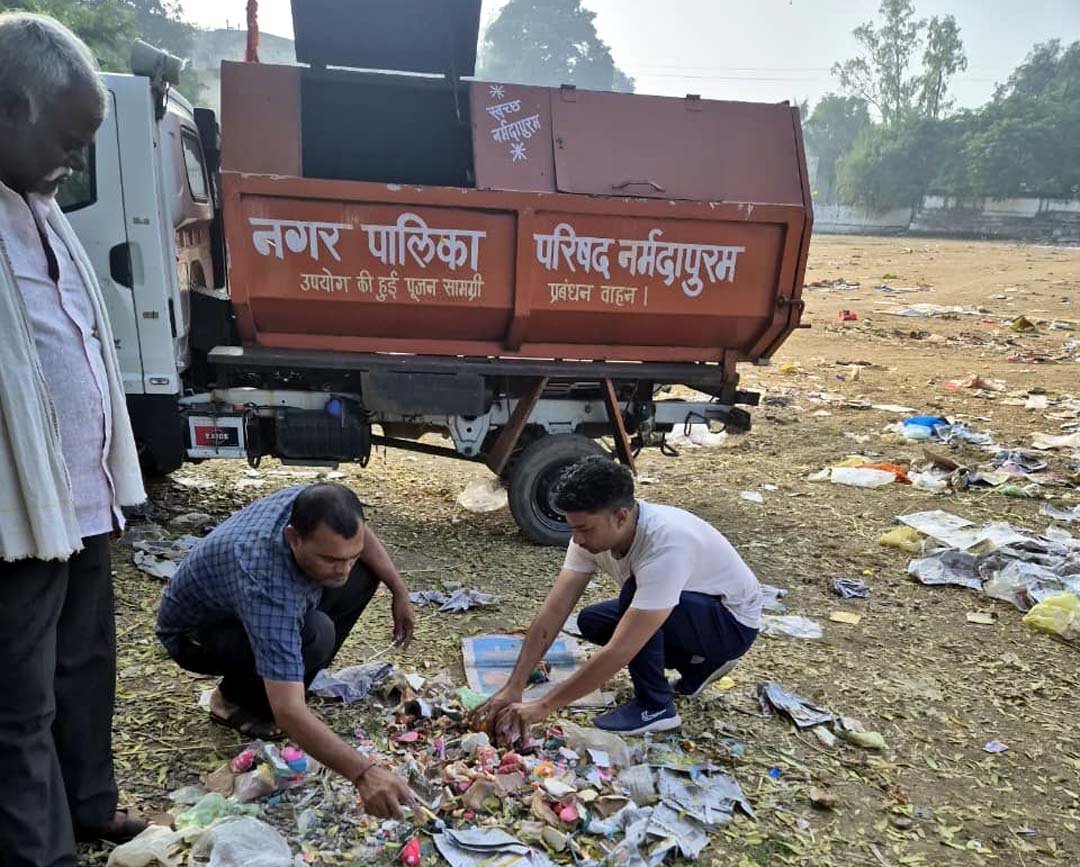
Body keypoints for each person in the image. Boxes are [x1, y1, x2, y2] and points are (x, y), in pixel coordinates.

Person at [0, 12, 151, 862]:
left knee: (85, 672)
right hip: (16, 515)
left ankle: (90, 807)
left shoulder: (43, 206)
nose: (78, 158)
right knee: (19, 705)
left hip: (84, 497)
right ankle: (41, 851)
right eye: (67, 136)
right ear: (10, 110)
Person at [157, 483, 419, 818]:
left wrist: (399, 590)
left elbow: (360, 536)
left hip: (245, 608)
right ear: (294, 538)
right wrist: (364, 773)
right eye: (330, 559)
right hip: (197, 635)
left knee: (368, 573)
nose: (344, 568)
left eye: (349, 556)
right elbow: (289, 712)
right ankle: (235, 700)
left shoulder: (316, 505)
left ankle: (283, 676)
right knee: (316, 636)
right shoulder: (266, 584)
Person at [470, 456, 762, 740]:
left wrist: (545, 705)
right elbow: (554, 610)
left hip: (731, 624)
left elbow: (622, 647)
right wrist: (514, 685)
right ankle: (697, 665)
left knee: (633, 598)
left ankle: (656, 706)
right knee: (591, 621)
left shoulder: (665, 543)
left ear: (621, 516)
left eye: (584, 529)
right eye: (572, 527)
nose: (577, 539)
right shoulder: (587, 536)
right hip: (690, 610)